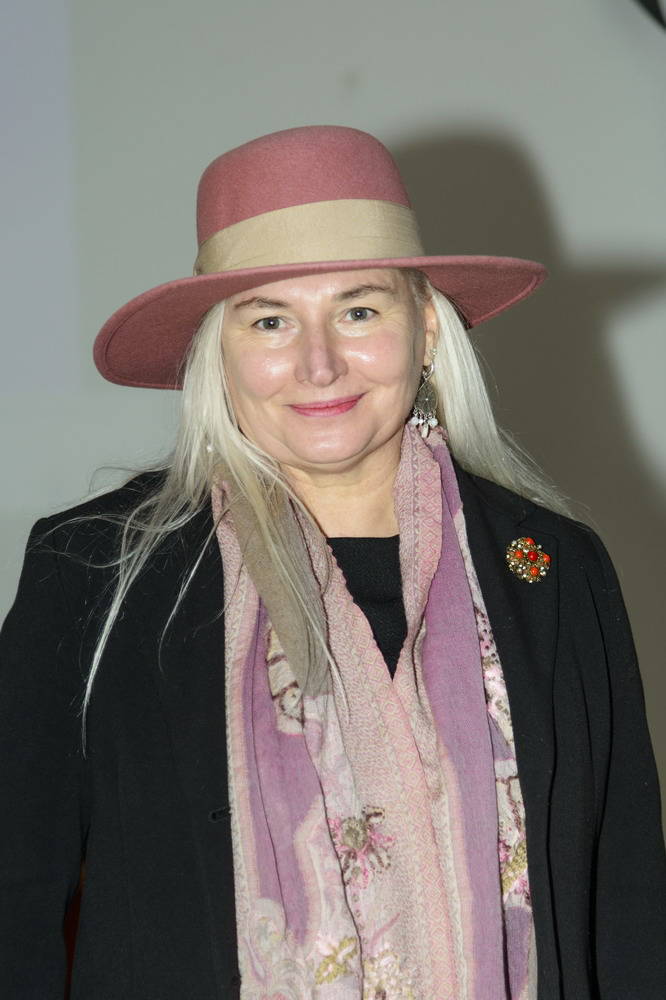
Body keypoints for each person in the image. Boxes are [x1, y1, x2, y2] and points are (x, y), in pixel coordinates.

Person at [1, 125, 664, 1000]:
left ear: (427, 329)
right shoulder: (94, 572)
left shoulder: (555, 571)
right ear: (217, 353)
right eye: (270, 320)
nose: (318, 365)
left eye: (359, 310)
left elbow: (627, 910)